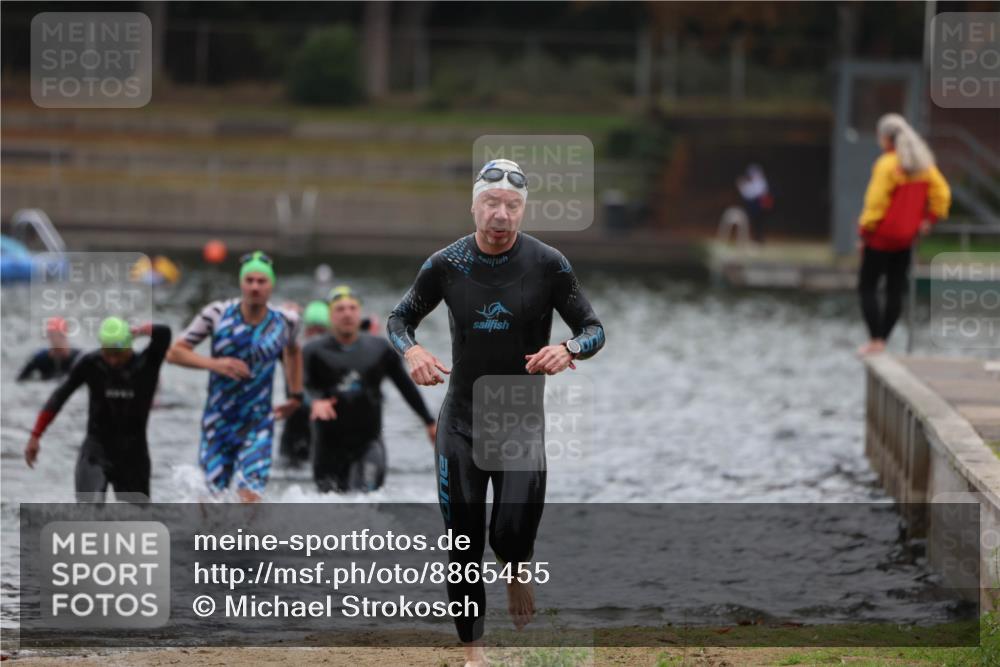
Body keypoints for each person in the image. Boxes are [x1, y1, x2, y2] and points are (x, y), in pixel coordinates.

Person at [386, 158, 605, 664]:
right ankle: (473, 655)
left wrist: (568, 349)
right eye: (491, 204)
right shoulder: (446, 264)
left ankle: (517, 565)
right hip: (459, 421)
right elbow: (399, 318)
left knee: (508, 535)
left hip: (520, 424)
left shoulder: (549, 264)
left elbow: (594, 329)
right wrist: (413, 352)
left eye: (512, 206)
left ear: (523, 211)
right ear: (473, 206)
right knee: (463, 546)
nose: (501, 215)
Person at [166, 251, 303, 502]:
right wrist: (214, 364)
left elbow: (293, 351)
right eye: (249, 281)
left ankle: (245, 542)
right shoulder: (216, 314)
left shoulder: (286, 322)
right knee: (210, 499)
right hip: (218, 422)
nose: (255, 287)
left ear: (271, 285)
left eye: (261, 282)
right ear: (241, 283)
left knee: (250, 497)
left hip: (258, 422)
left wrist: (295, 394)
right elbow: (174, 353)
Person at [24, 318, 171, 503]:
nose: (112, 360)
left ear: (129, 347)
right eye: (107, 353)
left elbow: (164, 331)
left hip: (133, 455)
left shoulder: (148, 363)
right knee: (88, 513)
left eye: (118, 353)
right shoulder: (90, 363)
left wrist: (137, 331)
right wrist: (36, 435)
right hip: (96, 451)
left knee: (135, 521)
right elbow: (59, 396)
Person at [305, 285, 436, 493]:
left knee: (365, 501)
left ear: (359, 313)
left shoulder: (379, 349)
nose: (347, 313)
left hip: (367, 445)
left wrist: (429, 422)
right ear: (330, 315)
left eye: (352, 308)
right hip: (327, 447)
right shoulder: (313, 351)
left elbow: (405, 387)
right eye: (340, 309)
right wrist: (314, 401)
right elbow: (299, 388)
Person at [856, 113, 951, 356]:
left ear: (886, 138)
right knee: (895, 290)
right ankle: (883, 340)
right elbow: (942, 194)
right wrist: (928, 220)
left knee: (867, 286)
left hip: (880, 238)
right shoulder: (924, 166)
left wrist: (864, 232)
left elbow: (875, 203)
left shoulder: (887, 164)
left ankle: (876, 339)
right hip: (906, 239)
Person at [279, 300, 330, 468]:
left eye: (321, 330)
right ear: (305, 330)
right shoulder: (293, 353)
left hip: (324, 431)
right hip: (295, 430)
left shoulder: (337, 354)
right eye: (312, 330)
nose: (316, 335)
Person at [17, 317, 81, 381]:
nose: (55, 339)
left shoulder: (79, 358)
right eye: (52, 335)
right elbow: (20, 380)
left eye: (59, 335)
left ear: (65, 335)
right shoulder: (40, 358)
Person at [736, 164, 773, 244]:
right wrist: (741, 185)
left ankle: (759, 238)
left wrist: (743, 186)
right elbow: (747, 194)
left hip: (760, 206)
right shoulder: (751, 183)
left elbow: (754, 193)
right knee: (755, 223)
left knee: (759, 223)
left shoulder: (761, 182)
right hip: (754, 206)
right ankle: (756, 238)